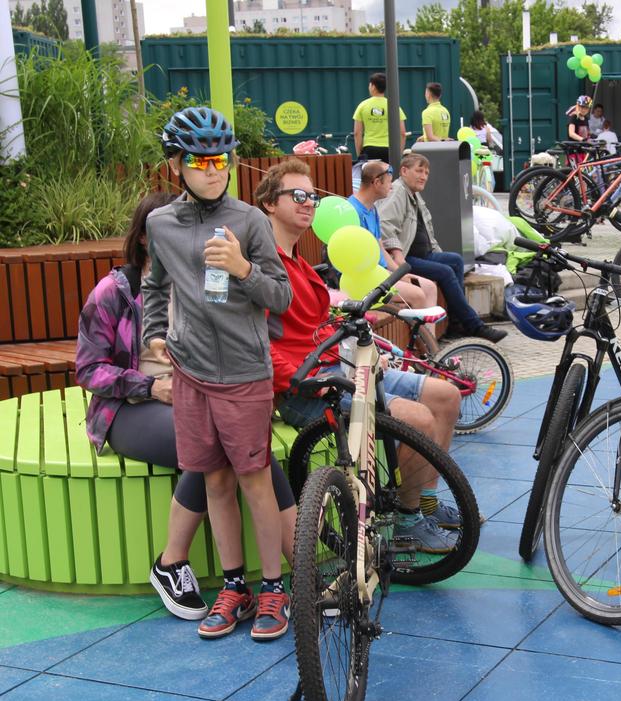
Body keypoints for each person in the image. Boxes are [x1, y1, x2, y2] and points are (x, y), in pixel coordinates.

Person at [76, 191, 298, 623]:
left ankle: (284, 575)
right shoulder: (116, 291)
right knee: (216, 450)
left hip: (206, 388)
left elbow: (270, 309)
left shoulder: (211, 274)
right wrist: (148, 385)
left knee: (244, 452)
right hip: (131, 407)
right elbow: (89, 369)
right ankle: (173, 561)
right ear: (149, 238)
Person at [257, 159, 463, 552]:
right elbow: (259, 345)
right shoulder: (266, 269)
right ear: (269, 203)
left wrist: (362, 349)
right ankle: (406, 522)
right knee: (419, 420)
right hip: (307, 388)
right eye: (297, 195)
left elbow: (322, 327)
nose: (308, 203)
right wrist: (308, 381)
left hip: (339, 367)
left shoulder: (303, 264)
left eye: (313, 197)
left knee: (447, 396)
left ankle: (425, 501)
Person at [143, 107, 293, 641]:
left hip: (243, 374)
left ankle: (275, 587)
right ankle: (235, 587)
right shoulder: (160, 224)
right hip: (190, 374)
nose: (213, 169)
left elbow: (281, 295)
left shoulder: (250, 221)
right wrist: (153, 333)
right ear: (177, 165)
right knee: (214, 481)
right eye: (200, 160)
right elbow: (155, 288)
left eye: (221, 159)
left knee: (255, 481)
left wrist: (242, 268)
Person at [380, 153, 507, 343]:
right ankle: (474, 325)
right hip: (405, 260)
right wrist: (398, 255)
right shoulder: (398, 192)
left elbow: (428, 233)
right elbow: (385, 225)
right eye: (419, 171)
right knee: (445, 271)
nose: (424, 176)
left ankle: (456, 323)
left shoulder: (413, 193)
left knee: (454, 260)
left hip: (422, 255)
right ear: (404, 171)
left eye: (427, 173)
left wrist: (437, 252)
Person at [347, 159, 439, 324]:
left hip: (383, 274)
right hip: (365, 278)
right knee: (417, 294)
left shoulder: (372, 208)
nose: (392, 186)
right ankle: (420, 347)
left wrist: (399, 273)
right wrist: (393, 278)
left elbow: (381, 248)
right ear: (376, 183)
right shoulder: (352, 211)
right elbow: (358, 260)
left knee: (430, 287)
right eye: (389, 182)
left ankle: (430, 345)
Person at [353, 72, 407, 163]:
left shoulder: (362, 105)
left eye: (370, 85)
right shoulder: (393, 105)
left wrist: (360, 154)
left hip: (369, 149)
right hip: (389, 149)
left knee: (370, 176)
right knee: (389, 176)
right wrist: (398, 154)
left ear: (373, 86)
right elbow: (402, 133)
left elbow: (357, 133)